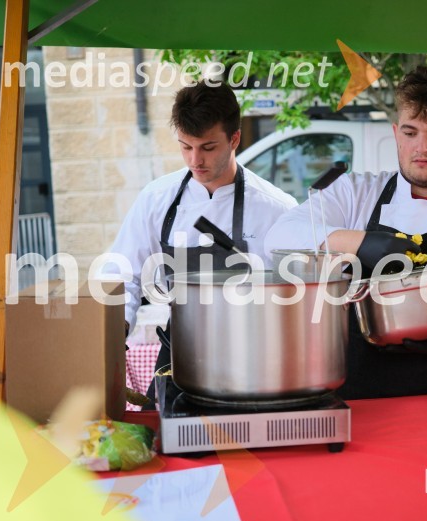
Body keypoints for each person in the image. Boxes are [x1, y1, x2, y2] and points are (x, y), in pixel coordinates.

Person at [265, 66, 427, 399]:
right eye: (410, 133)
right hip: (357, 397)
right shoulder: (354, 194)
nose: (422, 147)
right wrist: (358, 243)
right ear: (395, 133)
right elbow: (278, 236)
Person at [103, 79, 297, 400]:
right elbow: (122, 273)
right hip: (181, 348)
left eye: (208, 147)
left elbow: (295, 291)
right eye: (185, 146)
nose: (195, 161)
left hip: (254, 353)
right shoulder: (156, 198)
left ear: (234, 138)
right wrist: (114, 332)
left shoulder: (276, 208)